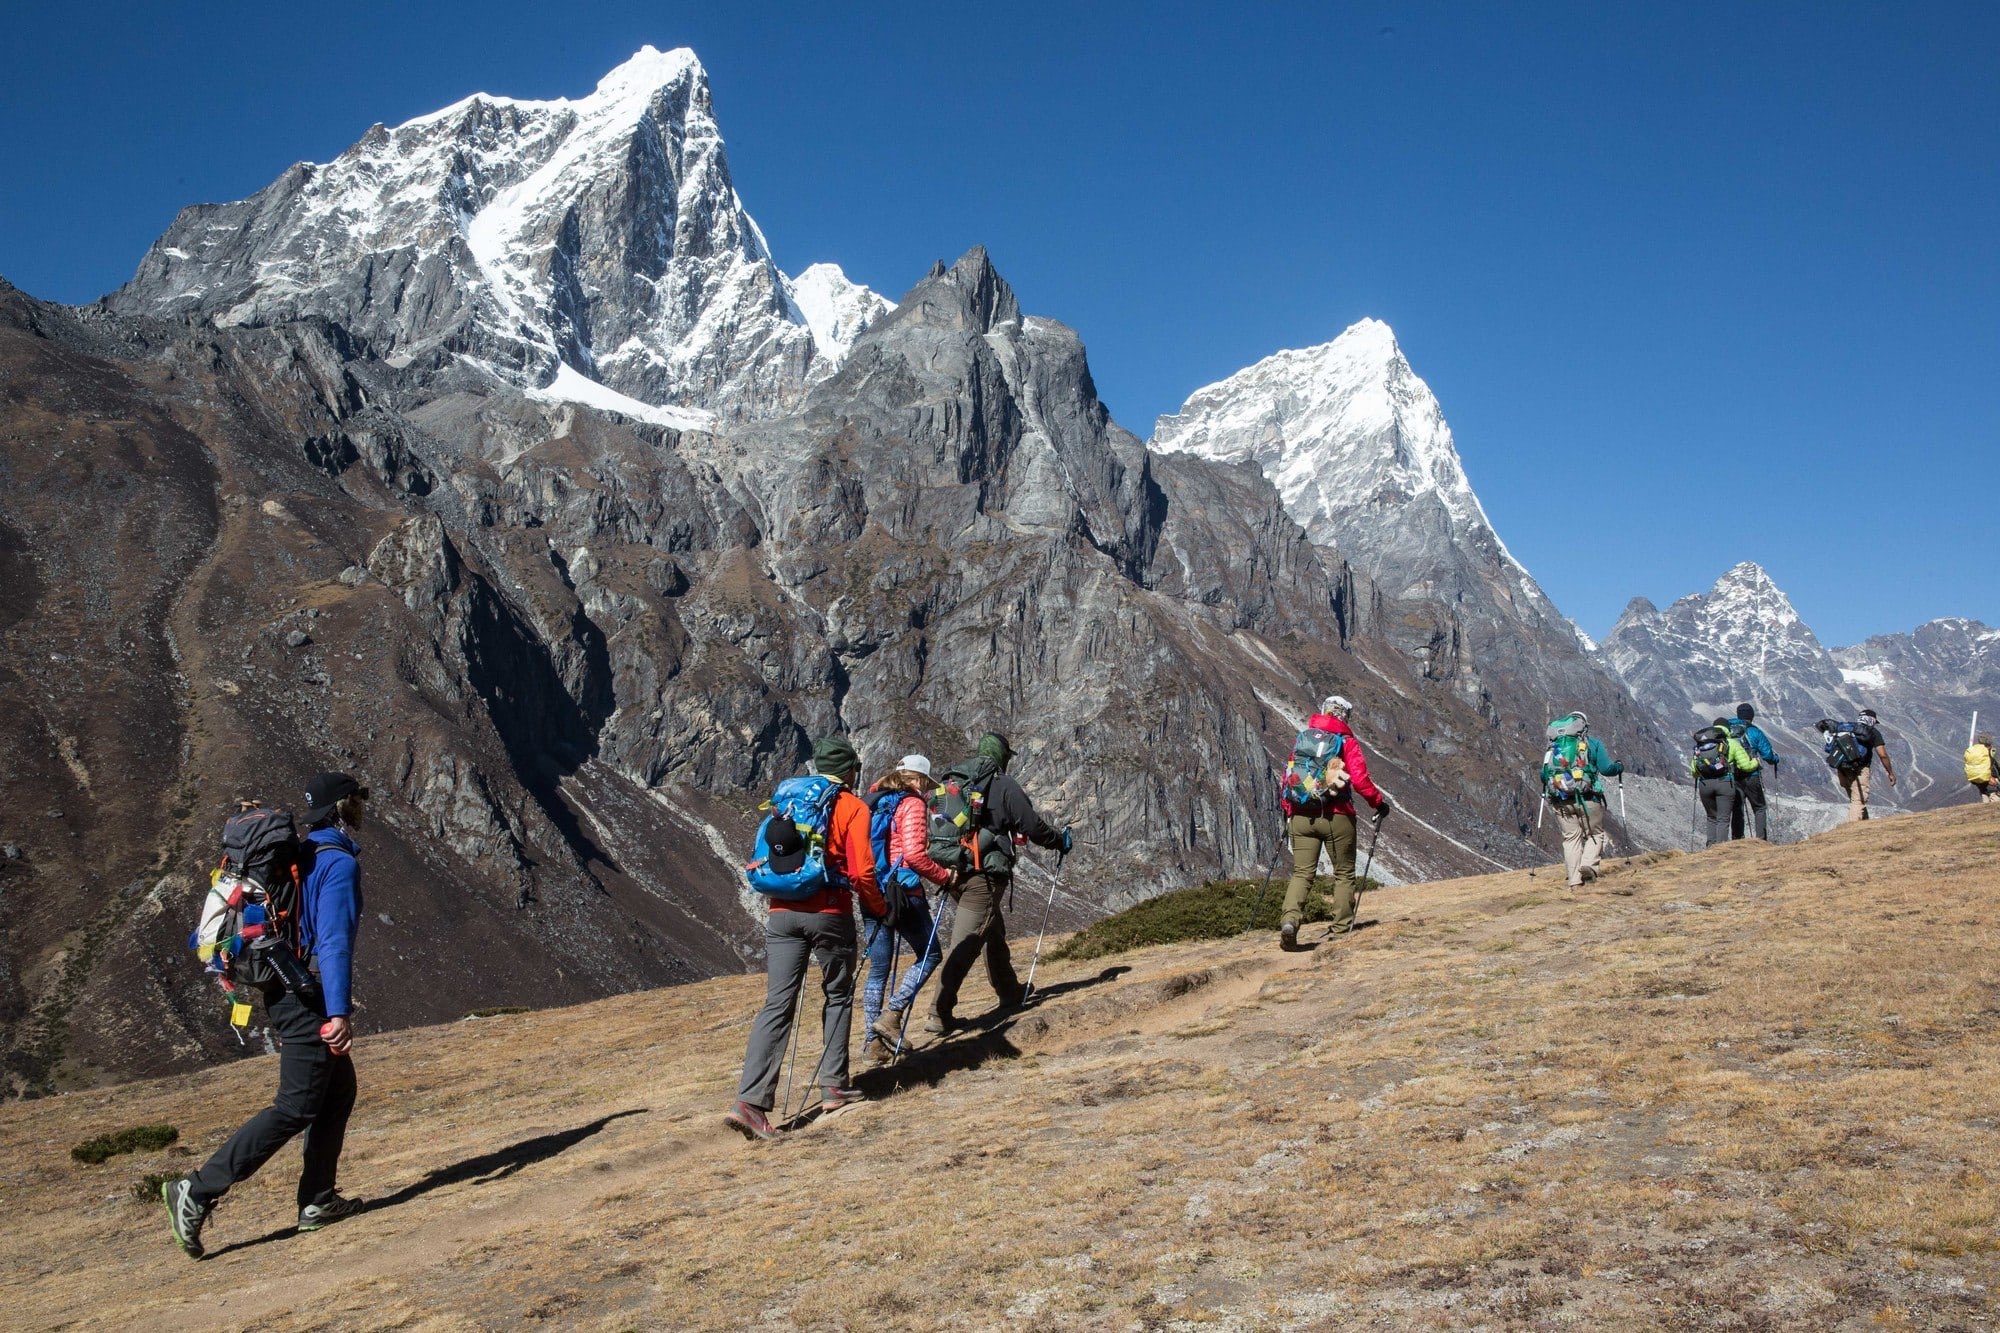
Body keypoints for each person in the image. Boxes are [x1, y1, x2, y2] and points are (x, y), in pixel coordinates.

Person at [162, 772, 369, 1260]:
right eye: (359, 799)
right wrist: (337, 1011)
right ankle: (197, 1189)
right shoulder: (335, 863)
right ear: (343, 806)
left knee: (338, 1091)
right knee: (296, 1106)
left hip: (283, 986)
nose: (363, 807)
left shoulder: (302, 852)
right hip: (307, 996)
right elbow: (334, 941)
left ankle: (318, 1200)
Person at [725, 738, 886, 1141]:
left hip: (780, 911)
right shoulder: (852, 806)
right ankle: (833, 1085)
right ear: (851, 770)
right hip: (829, 912)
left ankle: (750, 1102)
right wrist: (878, 909)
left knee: (777, 1003)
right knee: (838, 994)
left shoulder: (790, 798)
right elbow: (863, 869)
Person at [926, 733, 1070, 1034]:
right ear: (1002, 757)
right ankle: (939, 1012)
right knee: (967, 943)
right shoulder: (1003, 785)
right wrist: (1058, 841)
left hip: (954, 870)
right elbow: (1030, 824)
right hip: (985, 875)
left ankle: (1009, 990)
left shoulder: (956, 780)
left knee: (992, 930)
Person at [861, 754, 954, 1065]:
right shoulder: (912, 803)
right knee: (930, 954)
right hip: (903, 891)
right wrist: (945, 876)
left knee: (877, 970)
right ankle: (892, 1015)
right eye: (926, 784)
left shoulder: (874, 798)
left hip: (871, 889)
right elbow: (914, 855)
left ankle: (873, 1047)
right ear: (919, 780)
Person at [1279, 696, 1390, 948]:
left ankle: (1290, 922)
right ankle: (1341, 930)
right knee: (1343, 873)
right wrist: (1379, 804)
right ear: (1344, 716)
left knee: (1302, 873)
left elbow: (1290, 776)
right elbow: (1360, 780)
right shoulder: (1346, 742)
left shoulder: (1303, 739)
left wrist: (1289, 809)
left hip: (1301, 815)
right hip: (1337, 815)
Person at [1539, 712, 1623, 886]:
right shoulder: (1592, 744)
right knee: (1595, 833)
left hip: (1561, 800)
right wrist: (1619, 767)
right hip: (1588, 798)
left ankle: (1574, 882)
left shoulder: (1553, 748)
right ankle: (1588, 866)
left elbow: (1543, 774)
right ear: (1584, 726)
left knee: (1571, 838)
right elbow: (1607, 769)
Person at [1818, 710, 1897, 821]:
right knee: (1859, 800)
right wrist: (1890, 773)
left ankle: (1864, 825)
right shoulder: (1872, 732)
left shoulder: (1845, 728)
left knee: (1856, 800)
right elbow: (1883, 755)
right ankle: (1849, 831)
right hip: (1859, 769)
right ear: (1872, 720)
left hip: (1842, 768)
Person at [1692, 718, 1754, 847]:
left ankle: (1710, 847)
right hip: (1725, 782)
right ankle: (1720, 849)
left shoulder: (1702, 745)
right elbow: (1745, 766)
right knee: (1723, 819)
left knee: (1711, 817)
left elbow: (1694, 770)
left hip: (1705, 785)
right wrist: (1756, 762)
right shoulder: (1731, 743)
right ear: (1728, 729)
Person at [1729, 703, 1781, 840]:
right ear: (1751, 716)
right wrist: (1776, 759)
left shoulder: (1727, 729)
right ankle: (1760, 839)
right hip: (1751, 775)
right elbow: (1768, 755)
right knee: (1759, 808)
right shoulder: (1754, 731)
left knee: (1737, 808)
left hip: (1731, 776)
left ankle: (1737, 839)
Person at [1968, 732, 1999, 804]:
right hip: (1992, 781)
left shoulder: (1974, 751)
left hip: (1979, 780)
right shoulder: (1992, 751)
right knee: (1995, 803)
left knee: (1985, 799)